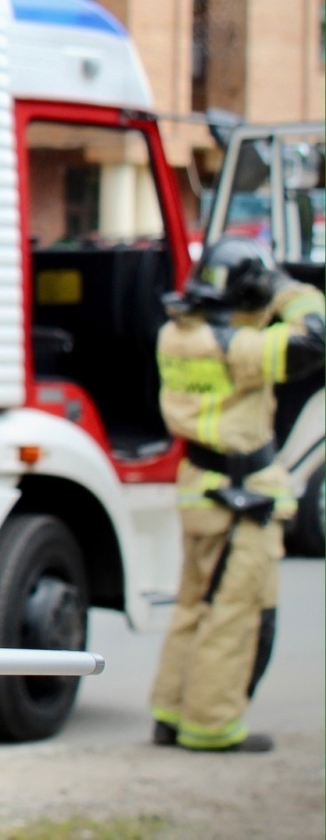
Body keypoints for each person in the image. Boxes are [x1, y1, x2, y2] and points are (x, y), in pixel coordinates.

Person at [149, 235, 323, 753]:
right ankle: (212, 725)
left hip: (201, 489)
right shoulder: (238, 349)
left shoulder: (175, 335)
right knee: (233, 614)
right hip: (239, 496)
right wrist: (290, 290)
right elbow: (315, 337)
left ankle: (170, 710)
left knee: (193, 607)